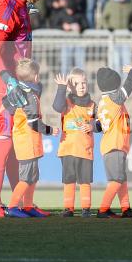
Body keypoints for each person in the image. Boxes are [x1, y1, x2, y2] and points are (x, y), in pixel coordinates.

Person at [0, 0, 51, 217]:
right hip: (2, 85)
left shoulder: (21, 5)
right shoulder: (8, 6)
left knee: (15, 145)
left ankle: (20, 204)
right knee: (3, 143)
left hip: (18, 83)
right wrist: (7, 80)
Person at [2, 58, 59, 218]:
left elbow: (9, 106)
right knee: (26, 178)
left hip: (28, 141)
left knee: (33, 177)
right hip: (27, 142)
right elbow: (34, 123)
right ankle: (12, 207)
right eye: (38, 75)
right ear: (35, 77)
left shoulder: (23, 92)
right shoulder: (30, 97)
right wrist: (50, 129)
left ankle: (28, 206)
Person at [95, 65, 132, 218]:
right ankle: (103, 209)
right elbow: (127, 88)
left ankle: (125, 208)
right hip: (115, 145)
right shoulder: (115, 98)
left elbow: (98, 126)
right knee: (117, 179)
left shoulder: (103, 101)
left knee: (121, 179)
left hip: (110, 146)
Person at [53, 68, 96, 217]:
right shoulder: (66, 102)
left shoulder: (92, 105)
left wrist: (92, 126)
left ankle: (86, 209)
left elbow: (100, 124)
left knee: (85, 181)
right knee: (69, 180)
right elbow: (57, 107)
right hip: (68, 149)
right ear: (71, 86)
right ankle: (68, 209)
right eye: (77, 83)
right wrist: (61, 88)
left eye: (84, 82)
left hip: (85, 149)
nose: (82, 86)